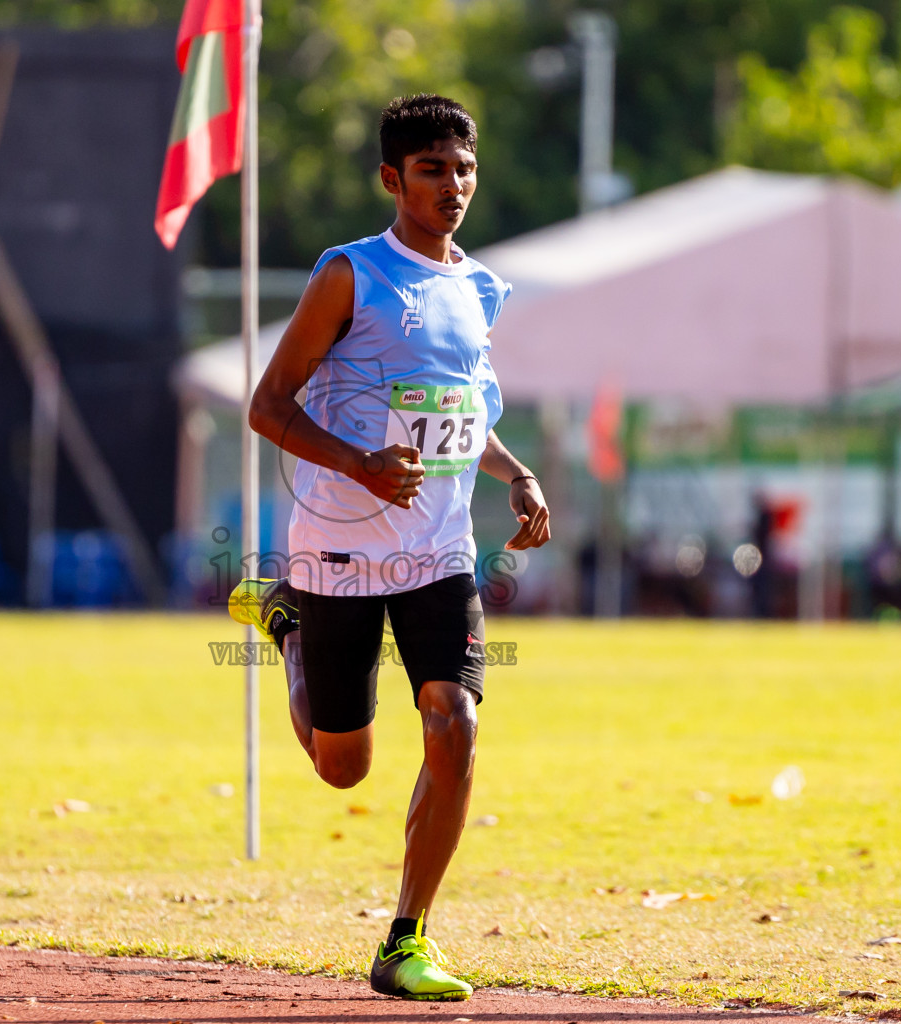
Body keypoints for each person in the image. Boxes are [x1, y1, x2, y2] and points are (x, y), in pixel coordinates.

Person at [227, 95, 550, 1002]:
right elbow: (268, 405)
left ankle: (406, 938)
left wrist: (518, 474)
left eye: (464, 168)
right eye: (433, 170)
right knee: (344, 765)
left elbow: (467, 417)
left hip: (441, 552)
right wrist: (361, 466)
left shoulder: (480, 289)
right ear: (391, 179)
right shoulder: (349, 274)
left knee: (457, 722)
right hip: (336, 546)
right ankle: (286, 625)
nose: (454, 187)